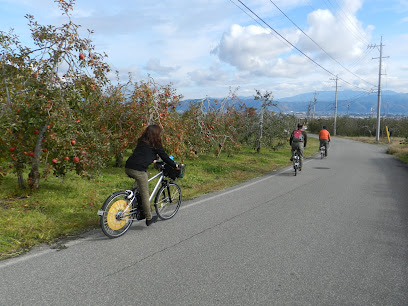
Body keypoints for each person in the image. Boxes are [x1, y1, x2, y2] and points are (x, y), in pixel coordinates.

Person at [125, 125, 179, 226]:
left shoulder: (142, 141)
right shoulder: (156, 145)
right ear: (156, 134)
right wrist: (174, 165)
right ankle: (149, 218)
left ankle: (133, 193)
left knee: (144, 176)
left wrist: (152, 159)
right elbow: (165, 157)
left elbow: (143, 154)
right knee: (145, 195)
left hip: (128, 167)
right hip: (138, 170)